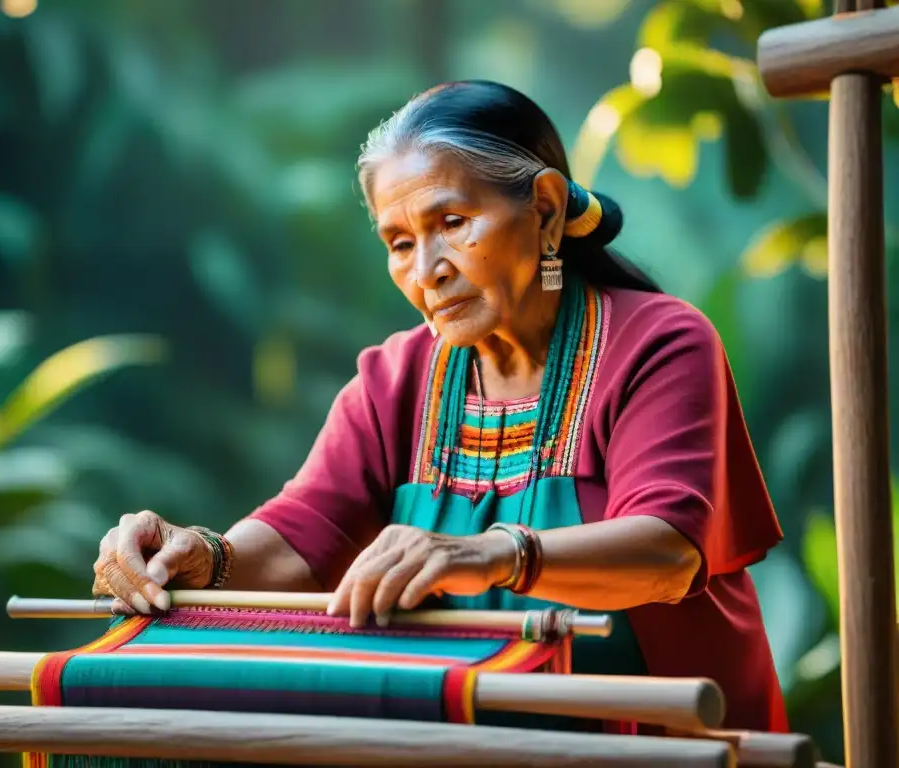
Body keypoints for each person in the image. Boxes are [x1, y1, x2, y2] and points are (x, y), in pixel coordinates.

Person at [92, 80, 787, 734]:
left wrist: (489, 554)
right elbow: (305, 533)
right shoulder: (395, 379)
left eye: (452, 222)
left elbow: (667, 553)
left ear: (544, 210)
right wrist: (200, 557)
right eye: (400, 243)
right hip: (475, 743)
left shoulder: (659, 343)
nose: (426, 270)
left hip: (663, 743)